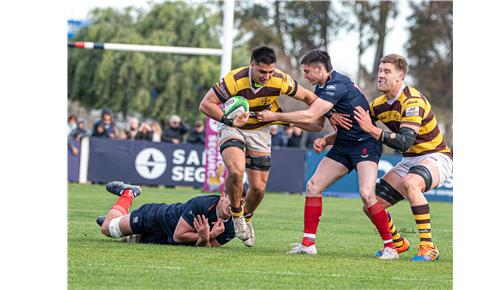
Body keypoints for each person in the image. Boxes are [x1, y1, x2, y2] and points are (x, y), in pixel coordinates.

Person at [257, 49, 397, 259]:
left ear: (319, 69)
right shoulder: (323, 86)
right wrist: (327, 138)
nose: (305, 76)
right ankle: (308, 244)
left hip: (365, 145)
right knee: (313, 186)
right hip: (343, 145)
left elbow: (312, 115)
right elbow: (320, 123)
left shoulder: (337, 85)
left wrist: (274, 116)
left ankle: (390, 247)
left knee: (367, 194)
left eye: (307, 72)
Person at [199, 46, 323, 247]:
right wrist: (228, 120)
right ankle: (237, 215)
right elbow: (206, 104)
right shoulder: (234, 79)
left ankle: (247, 217)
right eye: (262, 71)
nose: (267, 76)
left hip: (261, 130)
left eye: (270, 72)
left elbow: (310, 98)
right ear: (252, 65)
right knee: (236, 171)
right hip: (233, 127)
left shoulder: (280, 80)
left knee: (258, 188)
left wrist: (327, 111)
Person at [334, 53, 453, 261]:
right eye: (380, 71)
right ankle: (398, 243)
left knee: (411, 183)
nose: (381, 75)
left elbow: (405, 141)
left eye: (387, 71)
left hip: (436, 156)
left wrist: (372, 130)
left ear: (400, 77)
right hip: (410, 160)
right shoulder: (379, 104)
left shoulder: (412, 101)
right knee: (371, 204)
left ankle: (428, 246)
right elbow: (357, 127)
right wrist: (326, 139)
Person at [96, 181, 236, 247]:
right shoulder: (202, 204)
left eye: (240, 203)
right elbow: (179, 235)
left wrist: (205, 238)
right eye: (233, 199)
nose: (235, 205)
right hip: (155, 217)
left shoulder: (233, 227)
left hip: (165, 239)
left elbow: (202, 248)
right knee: (108, 229)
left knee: (129, 241)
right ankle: (129, 193)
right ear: (223, 195)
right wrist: (210, 235)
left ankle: (118, 219)